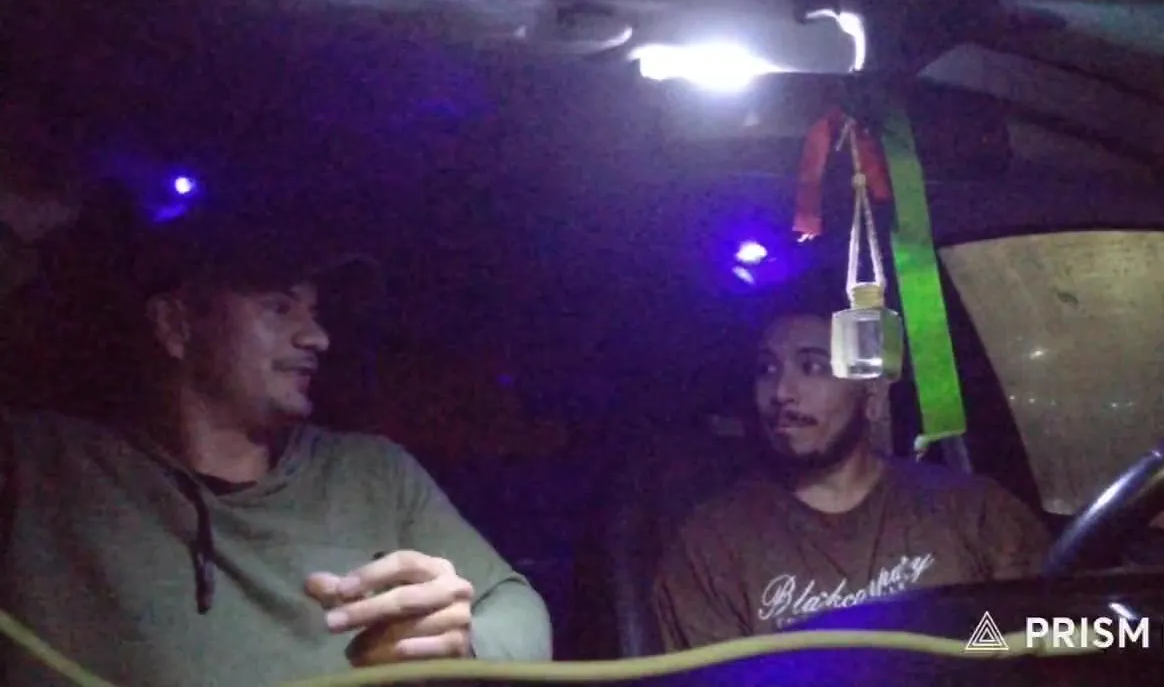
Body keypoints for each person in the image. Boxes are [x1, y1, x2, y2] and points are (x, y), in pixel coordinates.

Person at [0, 200, 554, 686]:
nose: (317, 337)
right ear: (175, 325)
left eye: (315, 312)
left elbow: (520, 609)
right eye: (279, 306)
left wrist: (464, 643)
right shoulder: (41, 466)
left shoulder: (371, 473)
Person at [649, 279, 1051, 651]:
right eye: (767, 370)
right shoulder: (711, 546)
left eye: (813, 367)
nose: (782, 392)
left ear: (871, 396)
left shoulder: (975, 513)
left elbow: (1050, 642)